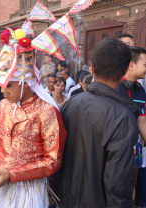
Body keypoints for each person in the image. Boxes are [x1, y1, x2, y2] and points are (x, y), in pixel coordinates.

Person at [0, 30, 66, 208]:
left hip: (27, 188)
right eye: (1, 85)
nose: (2, 91)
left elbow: (53, 160)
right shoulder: (3, 105)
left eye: (8, 85)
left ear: (25, 82)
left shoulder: (46, 112)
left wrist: (13, 175)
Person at [55, 39, 141, 208]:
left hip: (64, 200)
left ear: (92, 68)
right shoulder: (122, 116)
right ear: (124, 70)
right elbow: (119, 182)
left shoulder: (70, 104)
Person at [116, 46, 146, 207]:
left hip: (134, 150)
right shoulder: (113, 86)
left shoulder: (140, 90)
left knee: (131, 185)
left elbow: (142, 121)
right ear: (131, 65)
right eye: (145, 64)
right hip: (115, 150)